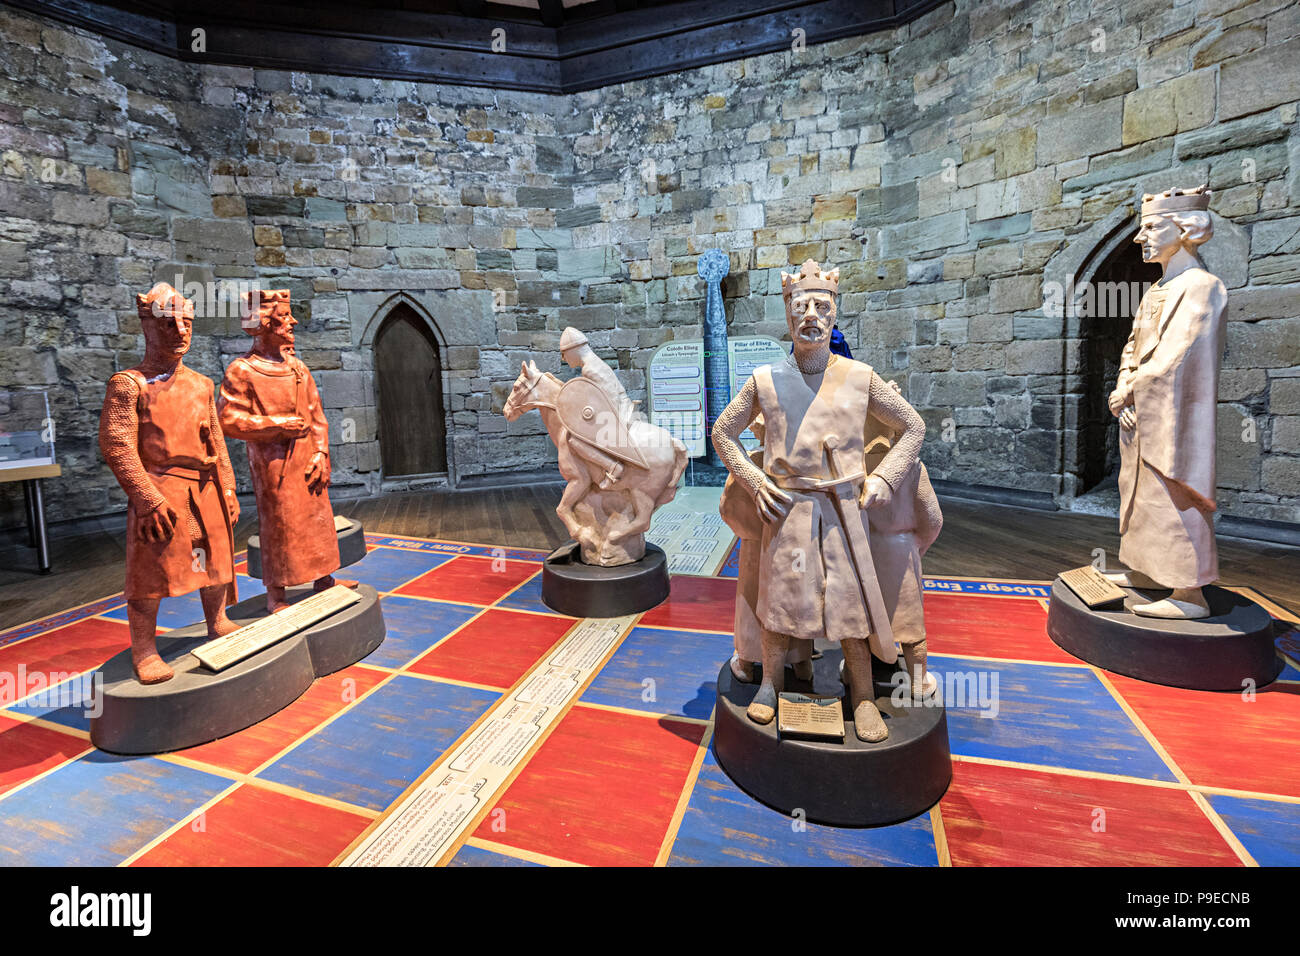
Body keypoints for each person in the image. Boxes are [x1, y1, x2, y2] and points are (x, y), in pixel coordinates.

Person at [712, 260, 926, 742]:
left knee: (851, 605)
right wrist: (752, 477)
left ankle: (865, 696)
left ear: (834, 313)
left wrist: (886, 478)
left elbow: (914, 426)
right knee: (781, 600)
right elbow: (723, 432)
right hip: (788, 508)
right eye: (800, 305)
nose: (810, 314)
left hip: (845, 509)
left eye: (821, 305)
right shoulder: (765, 380)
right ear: (787, 312)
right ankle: (771, 683)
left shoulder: (859, 376)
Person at [99, 283, 240, 683]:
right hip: (160, 489)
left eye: (187, 322)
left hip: (205, 486)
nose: (180, 330)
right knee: (151, 572)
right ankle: (144, 651)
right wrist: (145, 497)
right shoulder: (129, 384)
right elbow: (117, 445)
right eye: (168, 322)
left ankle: (217, 621)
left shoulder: (201, 384)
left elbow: (217, 441)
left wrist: (227, 487)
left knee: (214, 561)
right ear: (147, 324)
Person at [1105, 185, 1226, 620]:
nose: (1141, 237)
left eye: (1153, 226)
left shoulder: (1202, 287)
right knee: (1141, 494)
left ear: (1187, 229)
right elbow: (1133, 348)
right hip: (1141, 413)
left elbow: (1180, 356)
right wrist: (1125, 385)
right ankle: (1146, 570)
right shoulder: (1158, 289)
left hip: (1173, 417)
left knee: (1173, 494)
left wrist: (1130, 389)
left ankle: (1190, 593)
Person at [218, 290, 353, 614]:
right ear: (264, 323)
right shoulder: (243, 371)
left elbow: (317, 417)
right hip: (273, 464)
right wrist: (276, 425)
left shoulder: (297, 369)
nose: (292, 322)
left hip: (307, 458)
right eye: (283, 316)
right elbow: (228, 419)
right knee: (279, 524)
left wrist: (321, 453)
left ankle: (324, 578)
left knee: (317, 520)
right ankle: (276, 593)